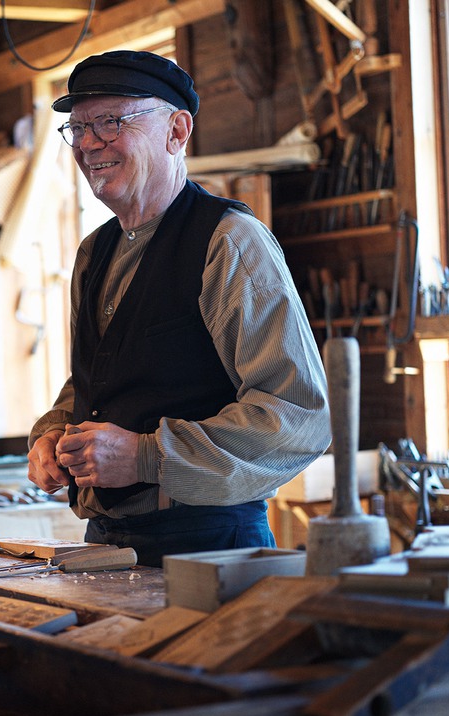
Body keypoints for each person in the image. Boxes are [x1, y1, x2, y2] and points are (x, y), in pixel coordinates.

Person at [26, 50, 331, 567]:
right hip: (106, 545)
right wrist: (53, 432)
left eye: (110, 121)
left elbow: (298, 416)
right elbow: (97, 382)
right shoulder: (93, 253)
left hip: (209, 543)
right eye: (77, 128)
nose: (88, 143)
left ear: (176, 130)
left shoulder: (229, 243)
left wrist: (147, 455)